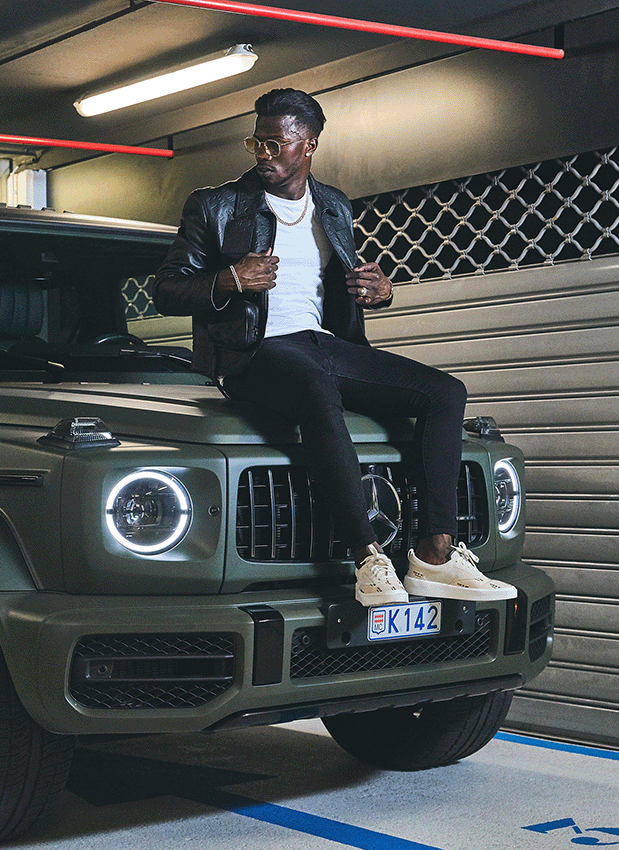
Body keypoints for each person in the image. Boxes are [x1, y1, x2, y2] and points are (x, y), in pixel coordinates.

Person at [153, 88, 514, 607]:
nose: (263, 154)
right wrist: (230, 279)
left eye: (276, 144)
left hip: (322, 344)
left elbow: (342, 287)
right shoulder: (216, 205)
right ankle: (369, 558)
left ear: (309, 145)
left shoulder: (334, 206)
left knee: (445, 392)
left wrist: (381, 292)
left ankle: (435, 555)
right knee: (316, 387)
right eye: (257, 142)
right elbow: (167, 290)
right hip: (253, 351)